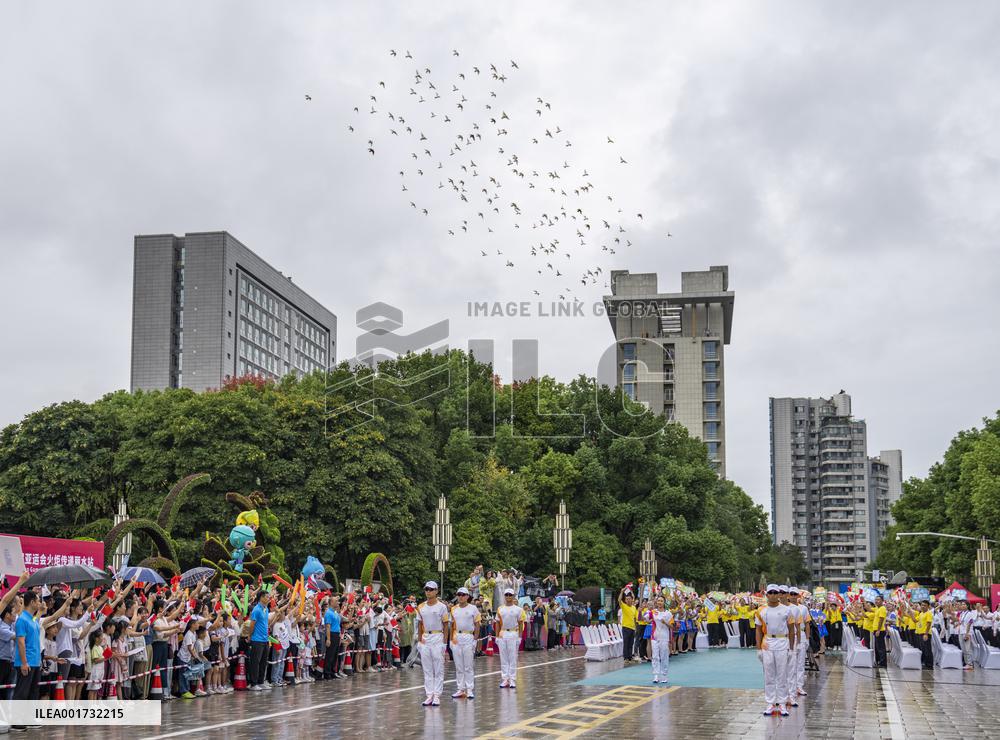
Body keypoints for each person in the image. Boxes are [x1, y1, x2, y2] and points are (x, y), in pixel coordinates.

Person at [756, 584, 797, 717]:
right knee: (769, 675)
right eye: (771, 593)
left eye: (775, 592)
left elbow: (791, 630)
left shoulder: (786, 610)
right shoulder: (761, 610)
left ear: (779, 594)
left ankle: (782, 703)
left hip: (782, 642)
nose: (773, 595)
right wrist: (758, 649)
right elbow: (758, 630)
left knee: (782, 675)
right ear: (767, 595)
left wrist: (791, 649)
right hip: (768, 643)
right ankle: (770, 703)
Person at [415, 580, 450, 706]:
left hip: (437, 636)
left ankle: (437, 695)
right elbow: (420, 625)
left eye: (431, 589)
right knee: (427, 669)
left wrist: (444, 643)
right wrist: (419, 641)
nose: (428, 592)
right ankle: (429, 694)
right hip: (426, 638)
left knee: (438, 668)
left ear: (436, 591)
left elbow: (446, 625)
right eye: (426, 589)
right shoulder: (420, 607)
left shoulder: (442, 607)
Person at [450, 586, 481, 699]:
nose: (461, 597)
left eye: (463, 595)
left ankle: (469, 689)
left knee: (468, 666)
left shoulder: (473, 608)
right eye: (459, 594)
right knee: (459, 666)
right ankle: (460, 689)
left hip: (468, 636)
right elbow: (451, 626)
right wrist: (450, 640)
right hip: (457, 637)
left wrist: (475, 640)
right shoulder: (453, 609)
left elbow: (477, 625)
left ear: (467, 596)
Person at [495, 588, 524, 689]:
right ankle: (505, 679)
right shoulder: (500, 609)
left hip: (513, 633)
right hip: (503, 633)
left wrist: (520, 637)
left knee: (512, 657)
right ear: (504, 596)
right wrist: (497, 636)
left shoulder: (518, 609)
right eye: (506, 595)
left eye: (510, 595)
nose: (508, 596)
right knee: (503, 658)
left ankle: (512, 679)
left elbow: (520, 623)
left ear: (513, 596)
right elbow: (497, 623)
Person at [246, 591, 273, 690]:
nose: (269, 598)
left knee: (263, 662)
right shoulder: (256, 610)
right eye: (267, 597)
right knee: (255, 662)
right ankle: (253, 683)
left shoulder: (266, 609)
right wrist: (249, 635)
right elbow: (252, 624)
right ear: (261, 597)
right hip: (257, 639)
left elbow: (266, 623)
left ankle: (261, 682)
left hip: (265, 639)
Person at [650, 596, 672, 684]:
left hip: (664, 637)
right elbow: (643, 619)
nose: (659, 602)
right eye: (658, 601)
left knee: (664, 656)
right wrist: (640, 612)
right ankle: (656, 675)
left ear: (664, 602)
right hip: (654, 637)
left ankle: (664, 675)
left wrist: (665, 622)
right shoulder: (653, 612)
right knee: (655, 656)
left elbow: (672, 626)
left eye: (661, 601)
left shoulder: (668, 613)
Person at [322, 595, 342, 680]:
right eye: (336, 601)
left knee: (334, 655)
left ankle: (332, 671)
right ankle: (327, 673)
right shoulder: (328, 613)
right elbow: (328, 626)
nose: (337, 603)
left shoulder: (335, 612)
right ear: (331, 602)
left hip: (336, 634)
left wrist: (339, 635)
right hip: (331, 634)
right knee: (330, 655)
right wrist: (328, 639)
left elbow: (338, 625)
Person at [618, 588, 638, 662]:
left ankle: (630, 656)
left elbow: (635, 618)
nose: (628, 600)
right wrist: (622, 592)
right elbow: (619, 600)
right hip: (626, 627)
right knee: (626, 643)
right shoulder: (624, 606)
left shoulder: (634, 608)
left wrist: (635, 627)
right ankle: (625, 657)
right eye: (627, 599)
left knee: (631, 643)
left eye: (629, 599)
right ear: (625, 600)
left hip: (632, 628)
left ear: (632, 600)